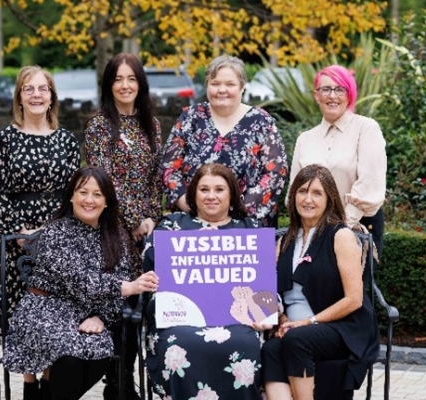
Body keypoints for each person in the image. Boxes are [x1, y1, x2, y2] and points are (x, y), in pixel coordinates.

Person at [2, 165, 159, 400]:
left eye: (97, 194)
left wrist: (101, 316)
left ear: (107, 201)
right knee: (70, 356)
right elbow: (80, 281)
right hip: (44, 308)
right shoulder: (56, 232)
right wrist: (127, 287)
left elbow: (121, 281)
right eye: (83, 192)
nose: (89, 200)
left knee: (99, 351)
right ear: (72, 196)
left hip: (86, 311)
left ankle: (46, 393)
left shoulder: (115, 235)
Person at [0, 65, 80, 398]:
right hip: (17, 239)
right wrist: (18, 232)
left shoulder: (66, 140)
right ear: (20, 97)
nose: (36, 94)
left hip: (56, 234)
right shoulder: (5, 139)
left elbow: (74, 194)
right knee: (24, 312)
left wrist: (52, 232)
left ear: (51, 96)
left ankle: (51, 382)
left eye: (43, 89)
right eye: (29, 89)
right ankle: (28, 384)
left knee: (53, 312)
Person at [143, 163, 263, 400]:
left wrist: (266, 312)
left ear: (231, 195)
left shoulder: (248, 228)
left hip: (236, 320)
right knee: (178, 345)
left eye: (219, 189)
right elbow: (152, 264)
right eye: (204, 189)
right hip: (181, 320)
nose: (211, 196)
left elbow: (266, 282)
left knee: (246, 344)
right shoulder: (173, 226)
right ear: (193, 195)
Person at [261, 164, 379, 400]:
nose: (308, 199)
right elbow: (272, 292)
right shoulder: (284, 241)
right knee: (272, 348)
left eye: (317, 193)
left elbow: (354, 299)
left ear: (329, 199)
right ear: (293, 196)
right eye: (302, 191)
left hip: (342, 327)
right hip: (295, 327)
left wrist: (308, 322)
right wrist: (283, 320)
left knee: (296, 340)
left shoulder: (341, 236)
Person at [84, 52, 163, 399]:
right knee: (118, 303)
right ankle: (116, 381)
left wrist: (151, 221)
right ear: (109, 84)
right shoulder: (99, 125)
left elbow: (157, 179)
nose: (125, 85)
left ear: (140, 84)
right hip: (112, 230)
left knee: (141, 307)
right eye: (118, 79)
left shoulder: (152, 124)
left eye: (132, 78)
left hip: (147, 231)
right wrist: (132, 221)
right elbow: (103, 181)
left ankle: (131, 377)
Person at [161, 54, 288, 228]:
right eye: (215, 84)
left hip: (247, 224)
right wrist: (188, 204)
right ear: (207, 85)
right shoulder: (191, 118)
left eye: (230, 84)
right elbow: (169, 166)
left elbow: (275, 172)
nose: (222, 90)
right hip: (194, 223)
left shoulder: (261, 121)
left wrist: (236, 211)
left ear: (242, 87)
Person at [289, 65, 386, 256]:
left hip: (355, 230)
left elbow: (369, 184)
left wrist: (338, 230)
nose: (332, 95)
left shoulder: (366, 129)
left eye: (340, 89)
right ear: (316, 96)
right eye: (326, 89)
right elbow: (294, 190)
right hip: (310, 233)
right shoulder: (305, 139)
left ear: (350, 94)